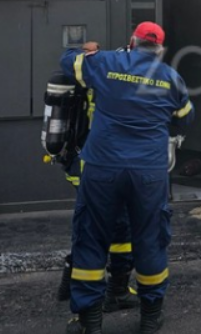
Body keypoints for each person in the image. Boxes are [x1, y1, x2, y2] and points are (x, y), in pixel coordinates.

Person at [60, 22, 194, 334]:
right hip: (148, 172)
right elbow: (186, 116)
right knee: (150, 239)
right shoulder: (171, 79)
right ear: (159, 50)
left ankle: (89, 322)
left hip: (101, 168)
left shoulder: (106, 62)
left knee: (91, 237)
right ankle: (150, 317)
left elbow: (67, 63)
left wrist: (83, 50)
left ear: (131, 42)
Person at [57, 87, 140, 314]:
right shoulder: (116, 82)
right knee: (121, 228)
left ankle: (70, 283)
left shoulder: (89, 77)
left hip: (79, 166)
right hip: (102, 171)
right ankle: (116, 291)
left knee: (86, 227)